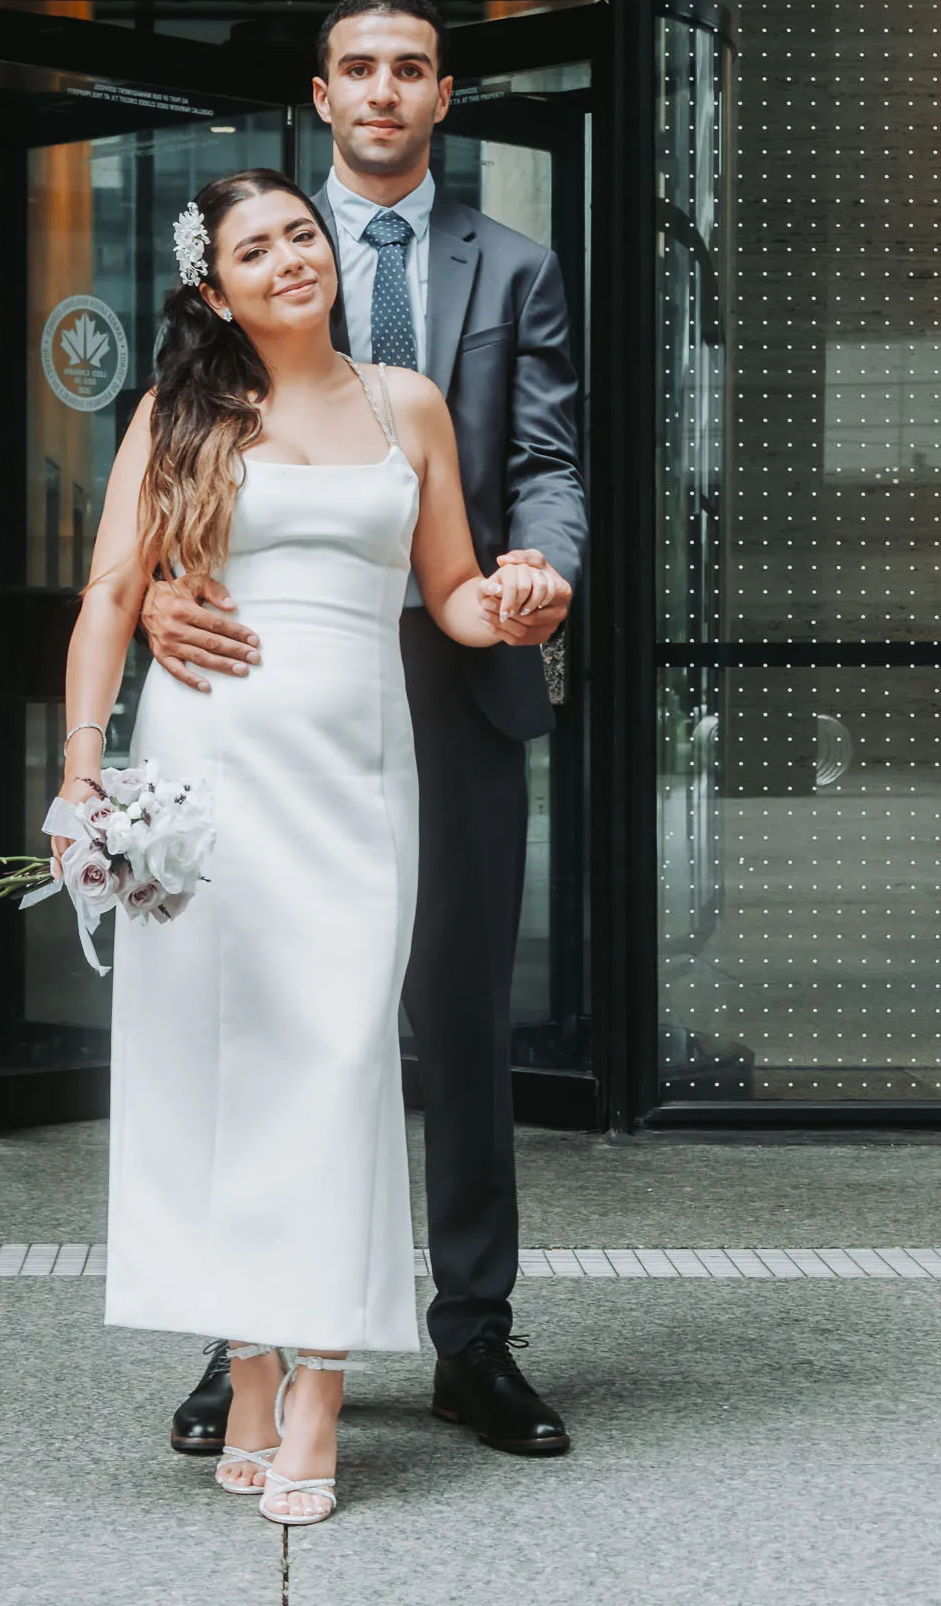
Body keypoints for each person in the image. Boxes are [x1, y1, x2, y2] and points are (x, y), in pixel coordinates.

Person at [52, 167, 566, 1526]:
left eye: (301, 233)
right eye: (255, 250)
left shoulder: (407, 403)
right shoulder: (179, 413)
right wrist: (84, 778)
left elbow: (449, 595)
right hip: (205, 776)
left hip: (356, 782)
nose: (291, 258)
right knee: (220, 1068)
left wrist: (517, 601)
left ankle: (323, 1380)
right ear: (215, 290)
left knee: (339, 1063)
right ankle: (255, 1368)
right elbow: (109, 594)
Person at [142, 0, 587, 1458]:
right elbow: (173, 463)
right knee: (260, 1015)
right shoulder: (252, 255)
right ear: (322, 95)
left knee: (456, 1017)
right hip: (261, 687)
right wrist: (158, 597)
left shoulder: (515, 266)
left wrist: (541, 571)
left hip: (453, 670)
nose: (385, 90)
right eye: (359, 69)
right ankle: (247, 1340)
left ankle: (473, 1341)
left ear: (444, 97)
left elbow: (546, 459)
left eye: (411, 69)